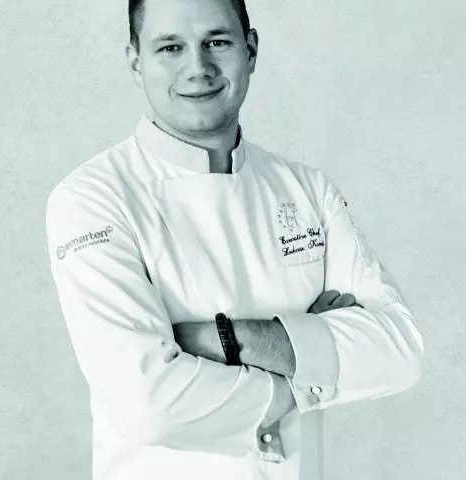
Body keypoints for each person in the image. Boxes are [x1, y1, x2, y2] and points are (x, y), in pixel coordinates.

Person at [45, 0, 425, 479]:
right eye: (170, 48)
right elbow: (150, 405)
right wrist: (308, 369)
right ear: (136, 62)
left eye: (218, 42)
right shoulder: (93, 199)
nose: (198, 68)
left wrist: (228, 342)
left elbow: (400, 352)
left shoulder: (307, 190)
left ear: (251, 50)